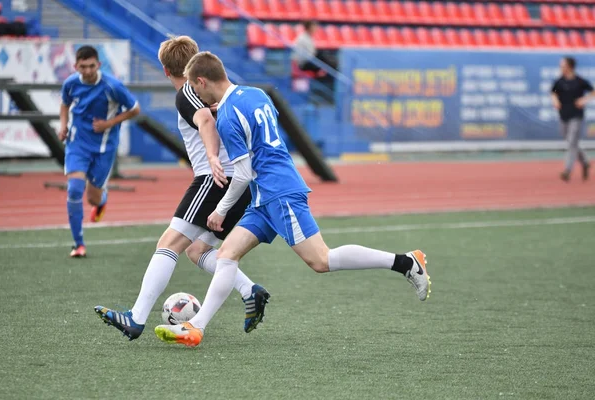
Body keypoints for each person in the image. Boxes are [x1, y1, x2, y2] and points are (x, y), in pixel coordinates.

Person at [153, 52, 431, 348]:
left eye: (197, 91)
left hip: (279, 192)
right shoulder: (255, 94)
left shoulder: (228, 116)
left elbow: (243, 173)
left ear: (201, 81)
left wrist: (221, 210)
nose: (198, 98)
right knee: (226, 256)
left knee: (321, 260)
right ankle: (195, 328)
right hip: (264, 195)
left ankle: (405, 262)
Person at [94, 36, 270, 341]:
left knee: (169, 242)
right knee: (197, 249)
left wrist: (213, 157)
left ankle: (135, 318)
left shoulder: (186, 93)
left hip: (214, 179)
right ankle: (249, 290)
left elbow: (204, 122)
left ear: (166, 71)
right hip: (243, 180)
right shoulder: (213, 90)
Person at [59, 45, 140, 258]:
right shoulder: (70, 83)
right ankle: (79, 244)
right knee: (75, 189)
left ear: (99, 65)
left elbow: (135, 109)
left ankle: (101, 200)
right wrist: (63, 126)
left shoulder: (112, 86)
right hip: (77, 144)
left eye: (91, 66)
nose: (87, 71)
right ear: (76, 66)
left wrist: (109, 123)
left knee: (93, 199)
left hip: (104, 147)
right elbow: (64, 105)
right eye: (82, 67)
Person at [551, 56, 594, 182]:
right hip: (563, 115)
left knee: (571, 142)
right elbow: (553, 92)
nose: (561, 68)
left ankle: (567, 170)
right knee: (571, 142)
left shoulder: (580, 81)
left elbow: (593, 91)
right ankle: (585, 161)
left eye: (563, 66)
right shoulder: (559, 81)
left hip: (576, 116)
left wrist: (584, 100)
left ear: (569, 67)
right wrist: (555, 100)